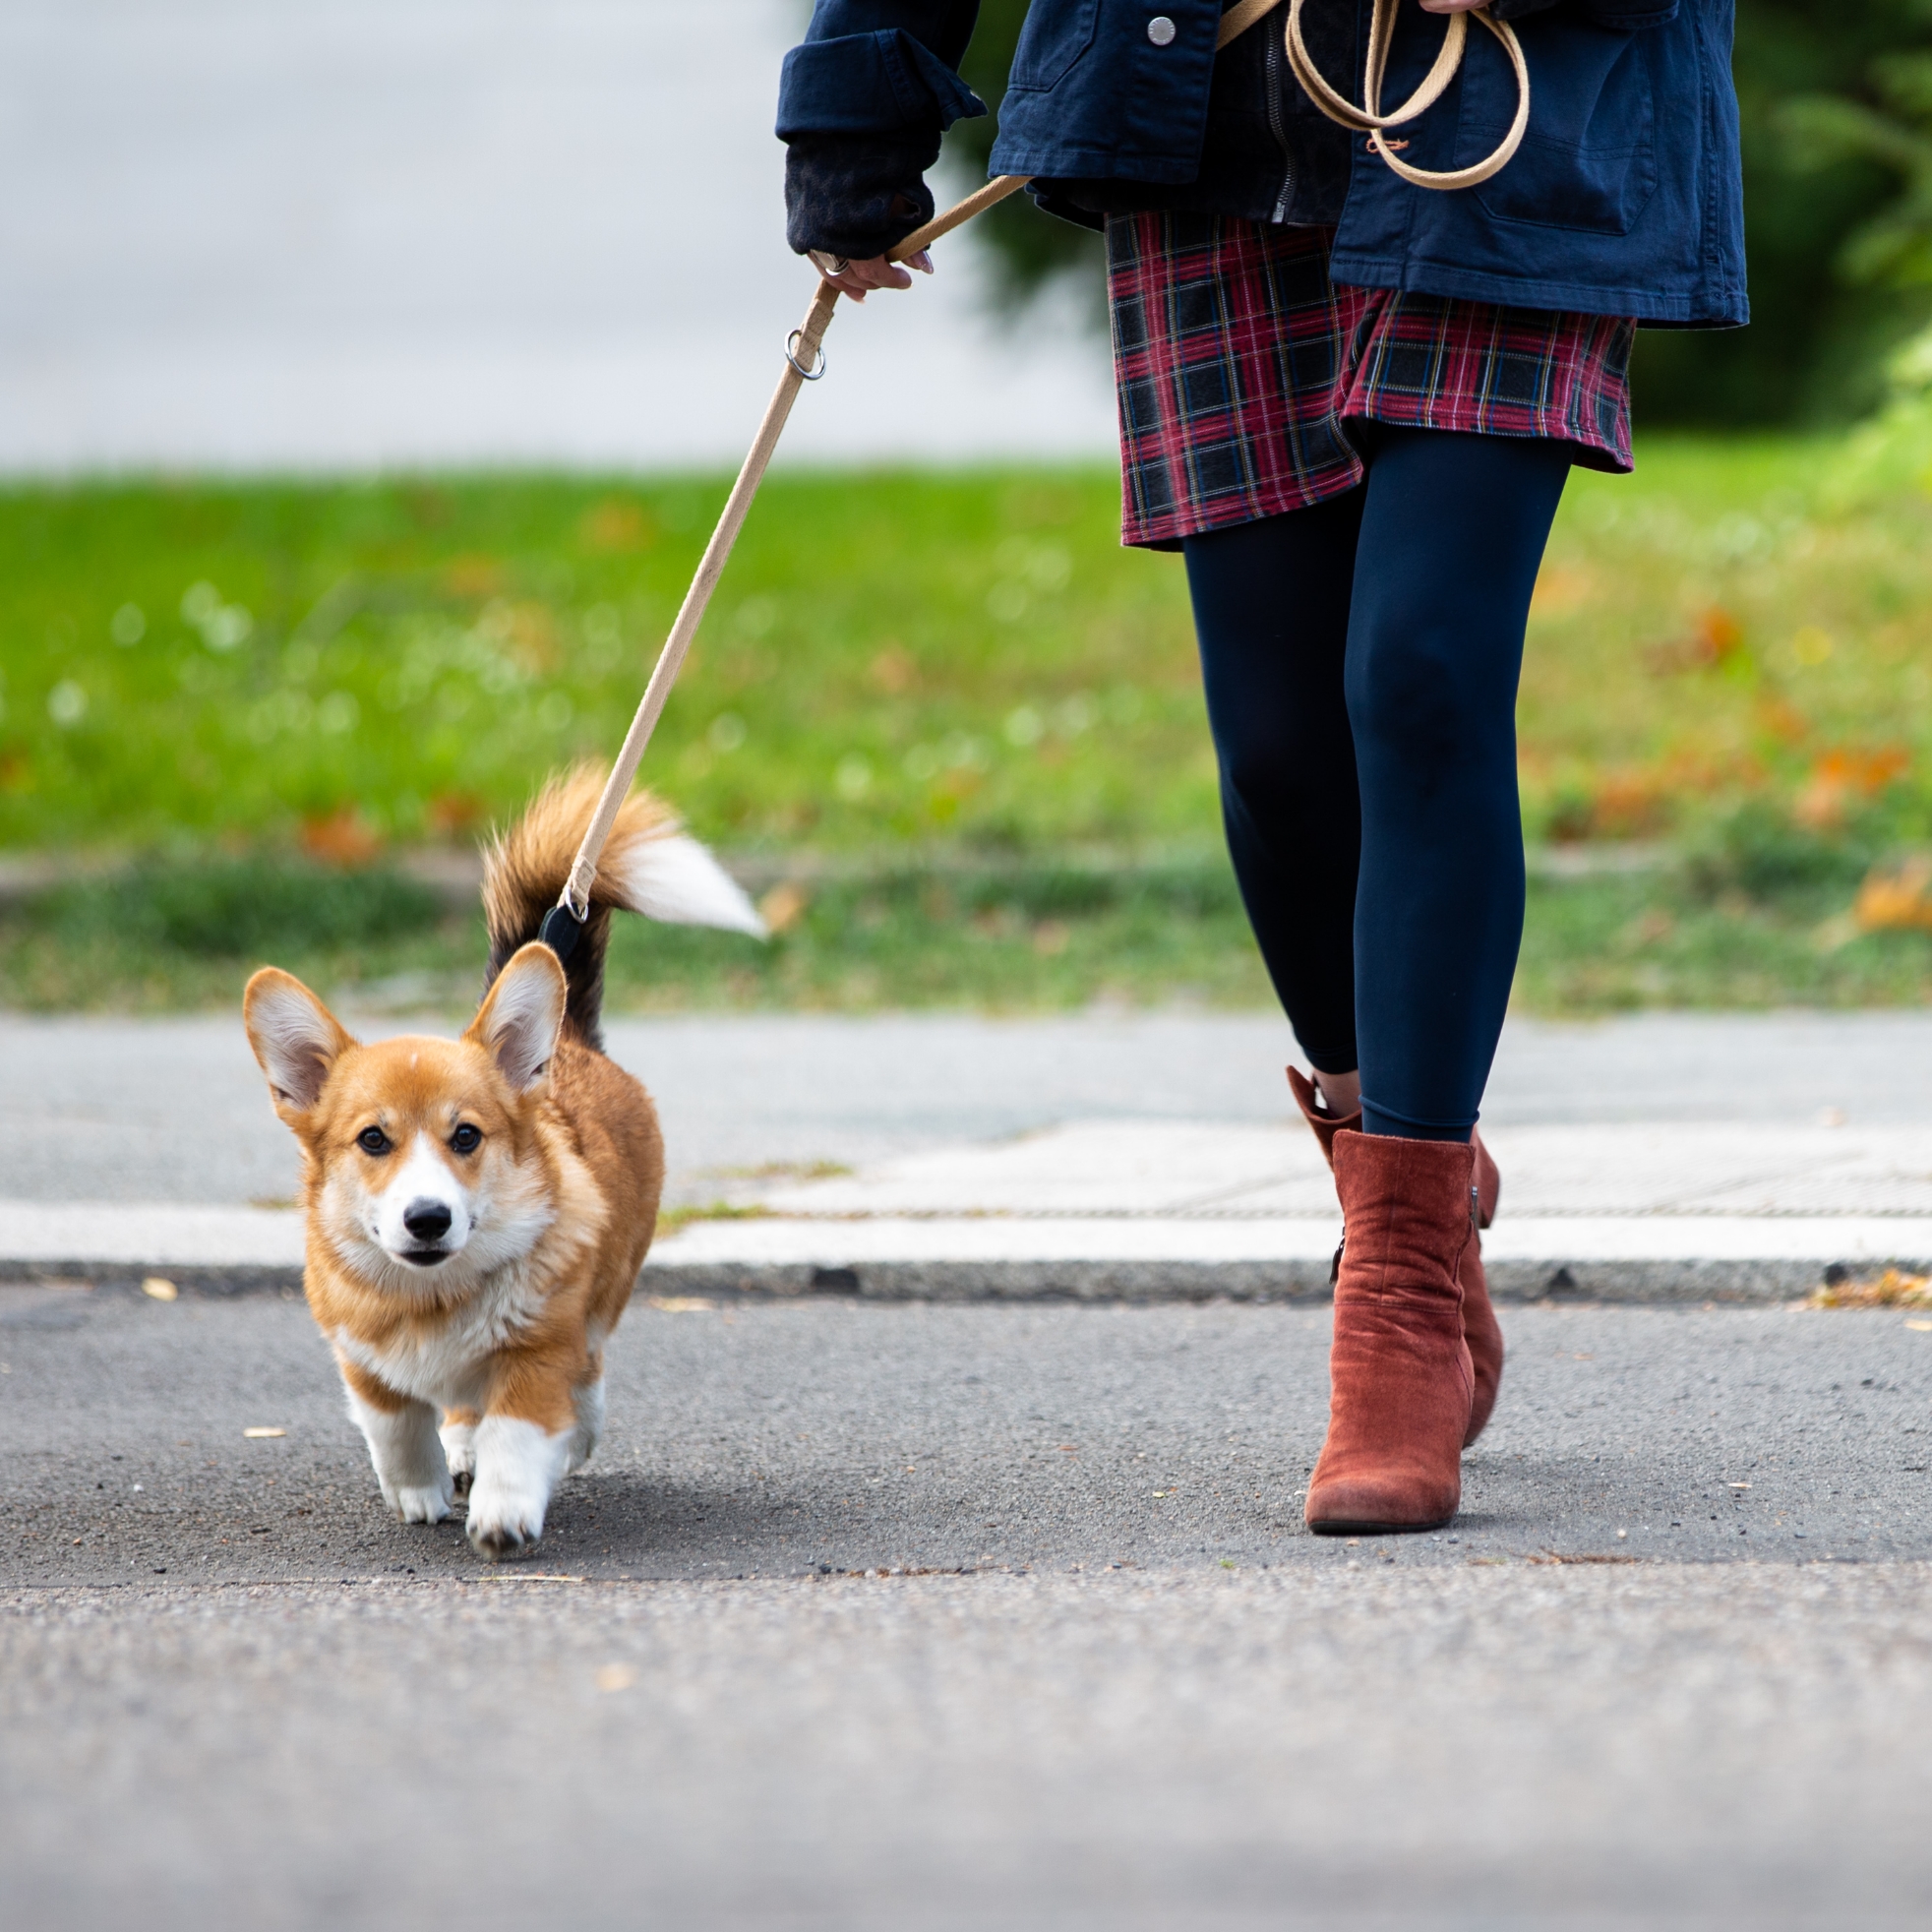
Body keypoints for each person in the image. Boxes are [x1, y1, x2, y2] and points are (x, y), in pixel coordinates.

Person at [776, 0, 1745, 1534]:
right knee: (1283, 753)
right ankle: (1388, 1144)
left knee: (1421, 676)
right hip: (1201, 110)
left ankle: (1403, 1288)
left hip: (1520, 98)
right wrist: (857, 101)